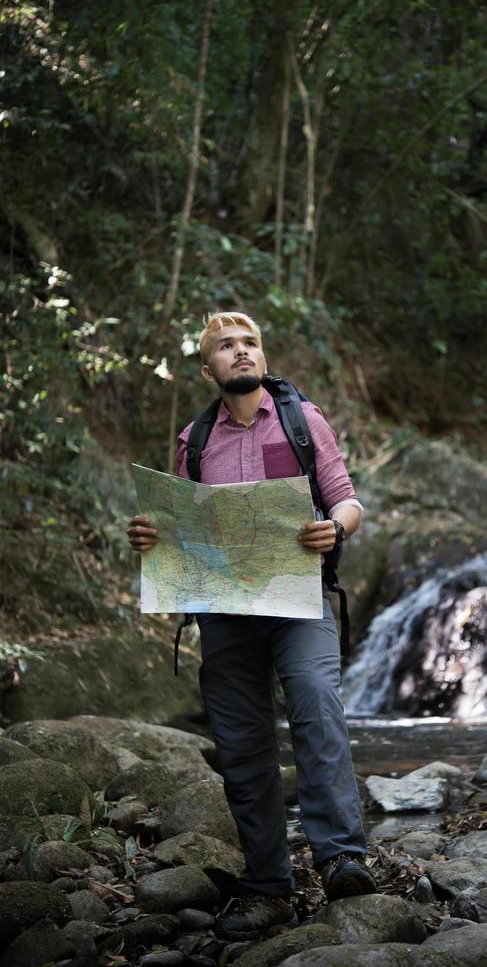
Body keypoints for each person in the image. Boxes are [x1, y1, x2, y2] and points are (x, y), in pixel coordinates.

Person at [127, 311, 375, 940]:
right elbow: (184, 523)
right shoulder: (196, 438)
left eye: (251, 344)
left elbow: (348, 497)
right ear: (207, 367)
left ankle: (342, 857)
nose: (241, 353)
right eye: (226, 347)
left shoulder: (301, 420)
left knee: (317, 703)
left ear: (263, 357)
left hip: (301, 601)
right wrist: (152, 534)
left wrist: (335, 527)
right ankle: (268, 885)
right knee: (241, 744)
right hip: (226, 613)